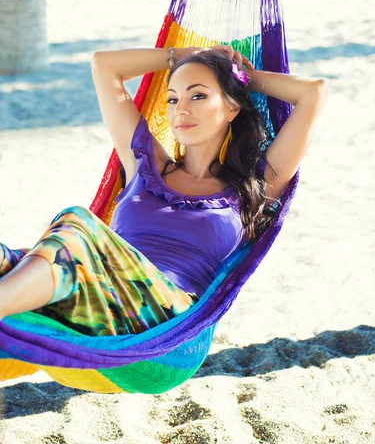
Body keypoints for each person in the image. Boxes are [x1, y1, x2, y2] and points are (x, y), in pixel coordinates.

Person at [0, 45, 328, 336]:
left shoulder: (254, 185)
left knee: (76, 223)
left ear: (231, 108)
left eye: (198, 95)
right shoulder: (144, 163)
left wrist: (240, 77)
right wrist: (181, 56)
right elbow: (104, 66)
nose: (180, 110)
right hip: (98, 291)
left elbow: (314, 93)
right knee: (8, 260)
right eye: (172, 99)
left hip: (165, 318)